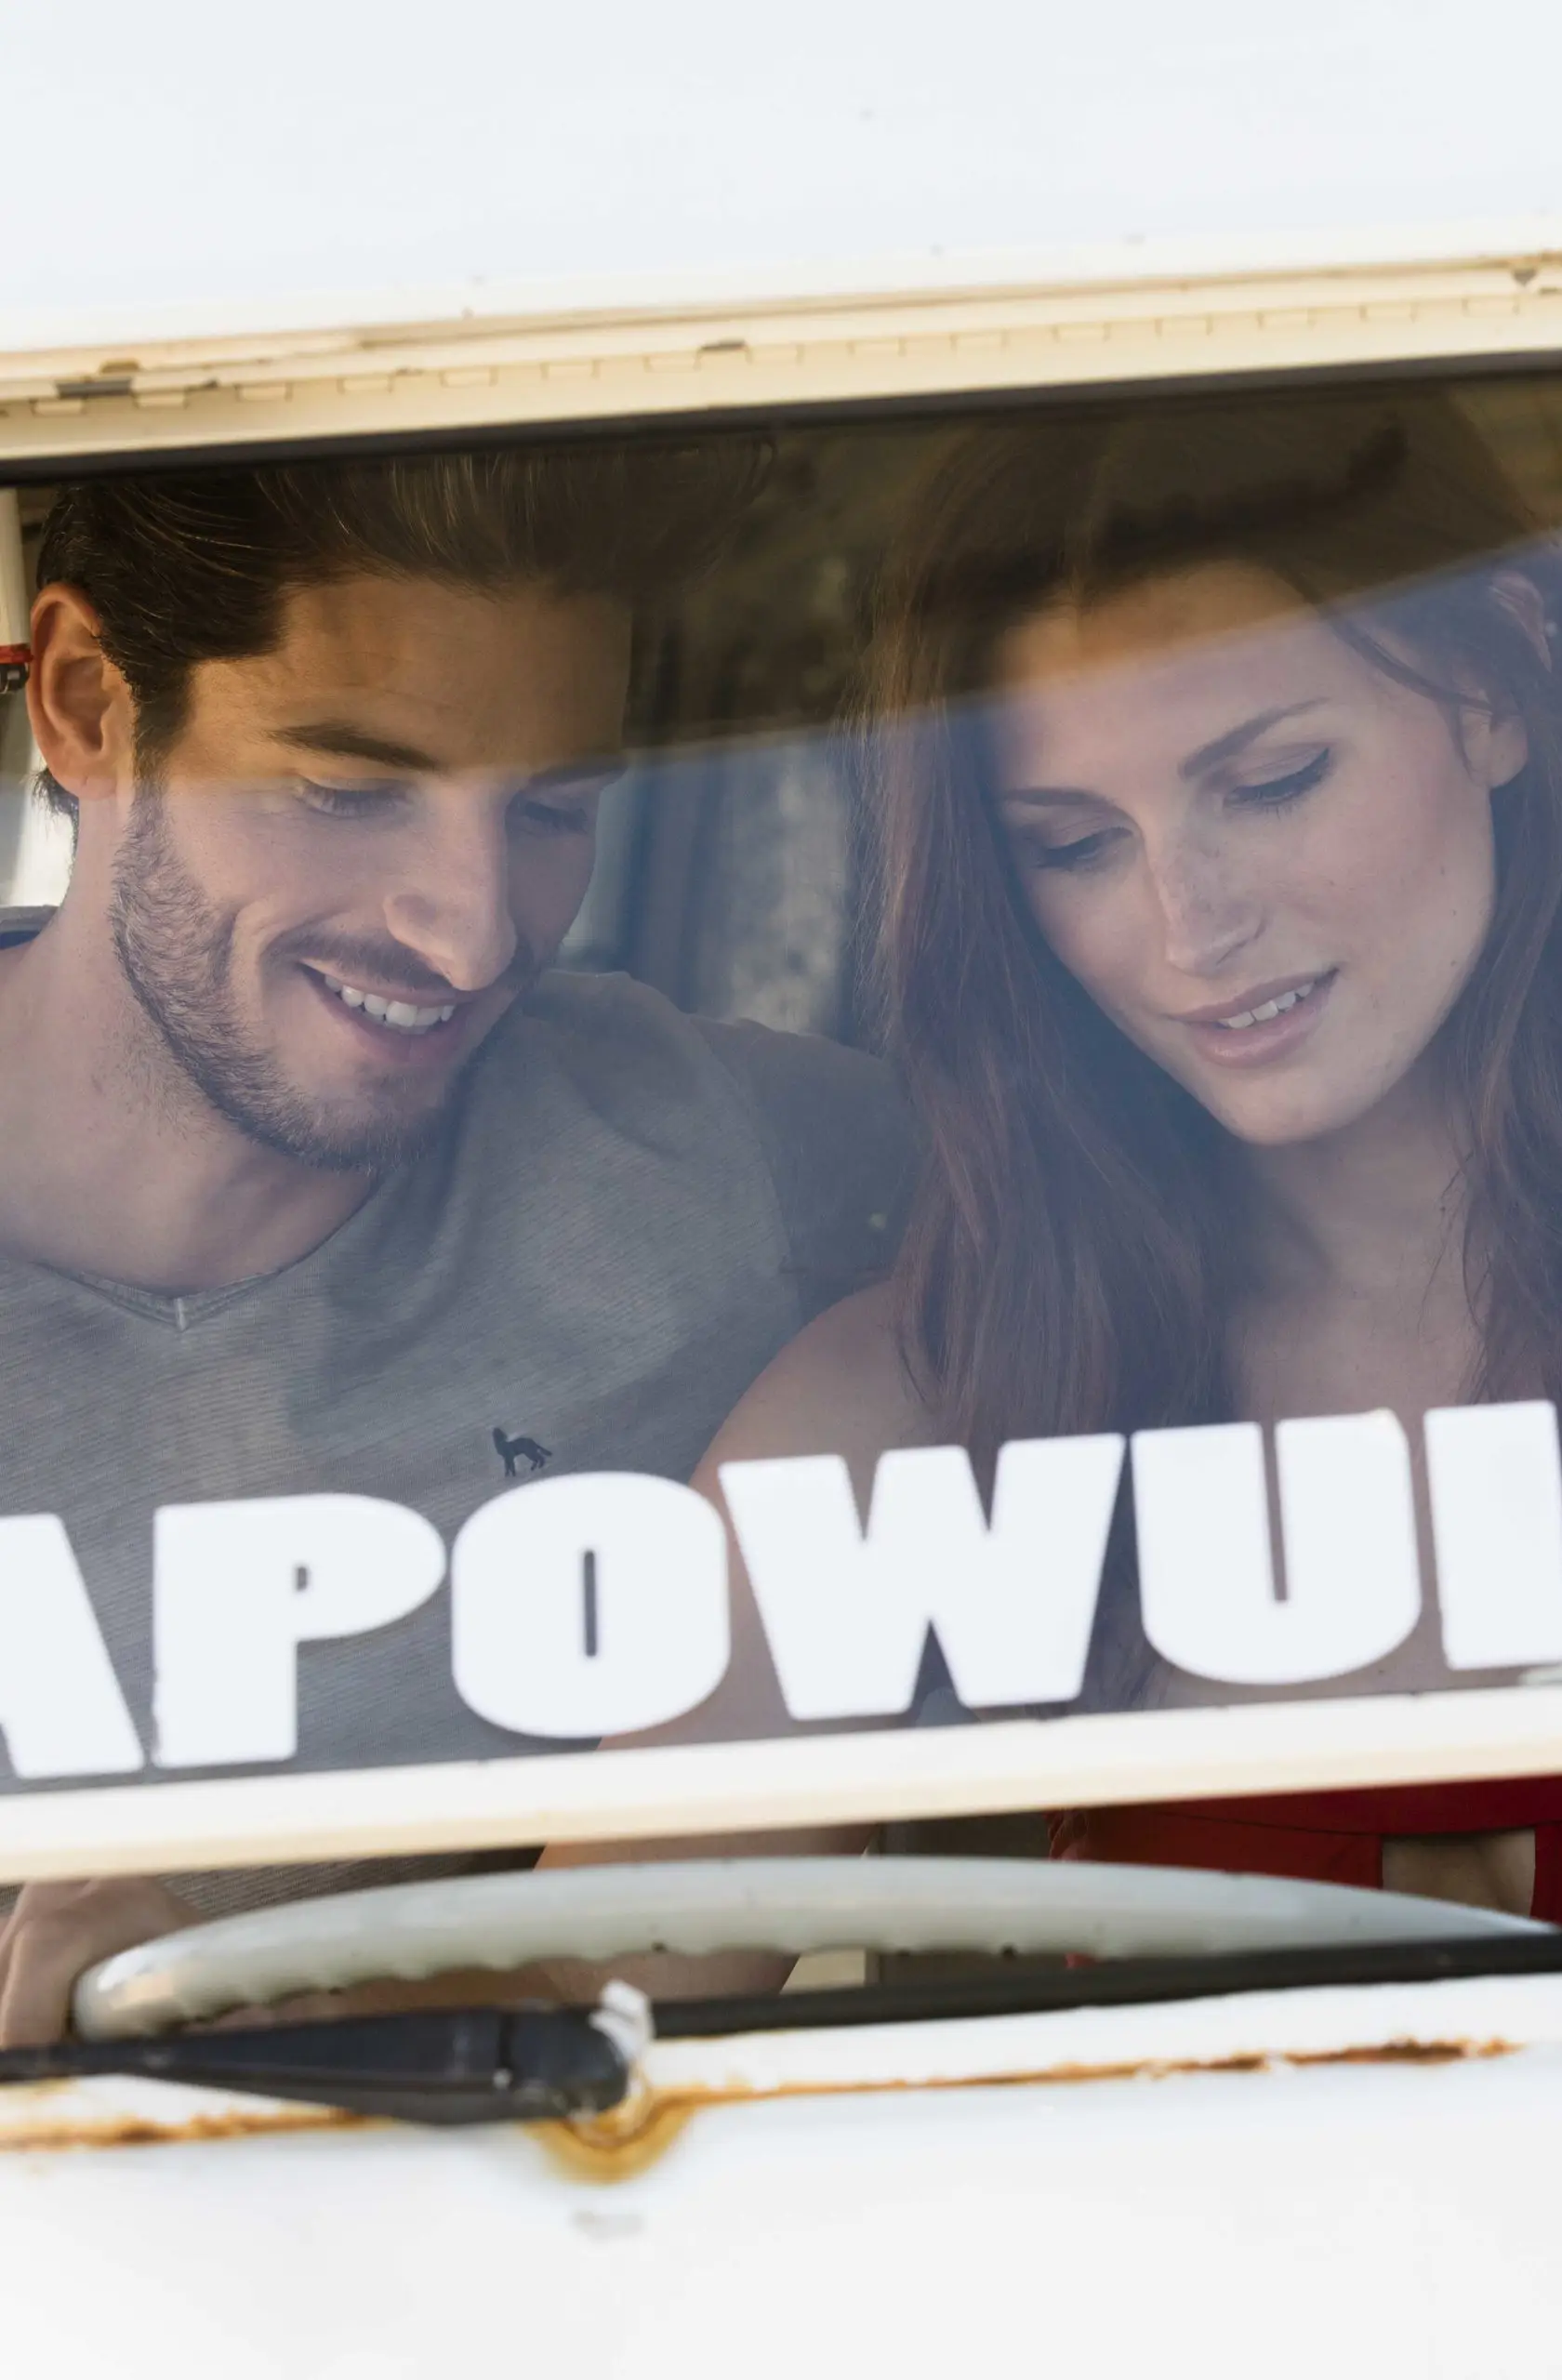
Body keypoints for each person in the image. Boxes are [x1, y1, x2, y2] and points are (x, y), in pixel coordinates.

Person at [691, 387, 1562, 1928]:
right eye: (1074, 845)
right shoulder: (938, 1392)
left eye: (1269, 781)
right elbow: (571, 2002)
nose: (1190, 925)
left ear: (1494, 689)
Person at [0, 447, 912, 2041]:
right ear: (85, 703)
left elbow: (1244, 1195)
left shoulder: (737, 1177)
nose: (473, 931)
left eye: (554, 815)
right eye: (348, 794)